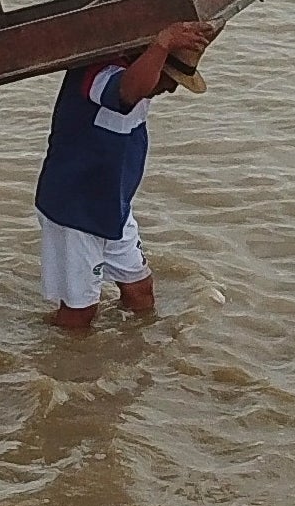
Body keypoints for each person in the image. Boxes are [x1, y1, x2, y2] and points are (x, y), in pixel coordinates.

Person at [34, 20, 218, 330]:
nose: (172, 88)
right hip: (75, 209)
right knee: (80, 313)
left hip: (112, 207)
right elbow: (127, 92)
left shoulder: (140, 79)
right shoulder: (97, 74)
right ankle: (55, 351)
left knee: (140, 293)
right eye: (170, 78)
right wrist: (162, 44)